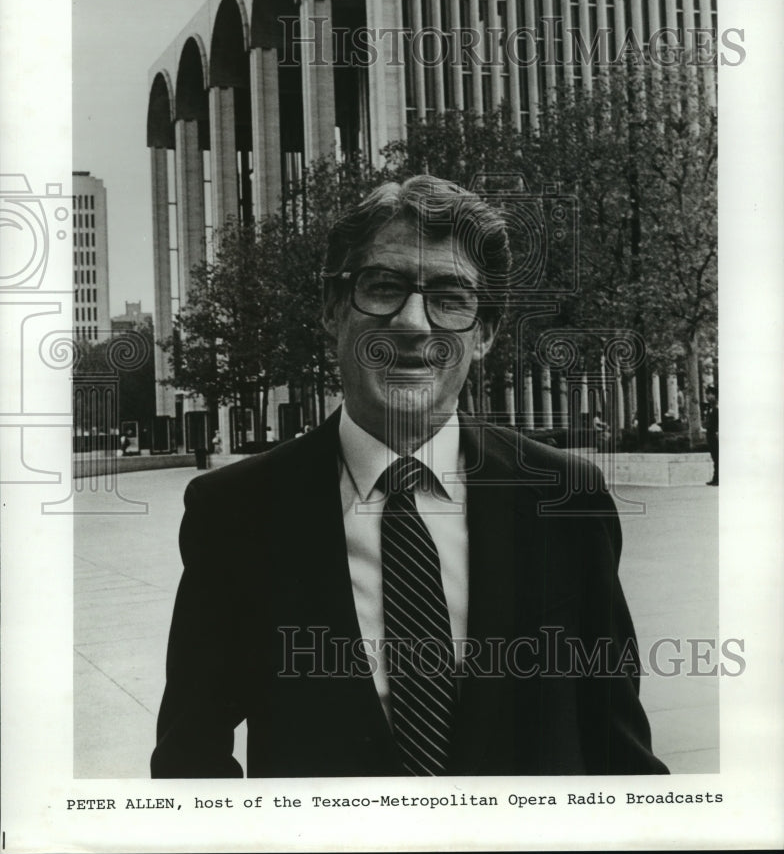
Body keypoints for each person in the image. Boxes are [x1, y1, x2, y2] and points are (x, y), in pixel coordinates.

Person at [151, 176, 667, 778]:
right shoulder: (236, 511)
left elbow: (620, 753)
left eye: (450, 297)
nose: (414, 324)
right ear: (330, 308)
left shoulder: (567, 500)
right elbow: (191, 756)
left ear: (487, 333)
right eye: (384, 286)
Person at [704, 385, 719, 485]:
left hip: (715, 434)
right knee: (715, 457)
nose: (707, 396)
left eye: (709, 394)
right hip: (710, 434)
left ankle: (717, 479)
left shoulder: (717, 408)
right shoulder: (711, 408)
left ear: (714, 395)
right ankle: (715, 478)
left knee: (718, 457)